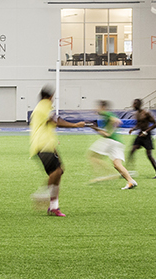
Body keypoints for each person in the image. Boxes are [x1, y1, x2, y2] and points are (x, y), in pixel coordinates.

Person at [29, 85, 89, 217]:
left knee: (59, 171)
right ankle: (43, 194)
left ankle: (53, 207)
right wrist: (75, 125)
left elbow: (46, 126)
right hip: (44, 146)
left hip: (46, 146)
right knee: (56, 172)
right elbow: (56, 121)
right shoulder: (44, 105)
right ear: (50, 96)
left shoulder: (39, 108)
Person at [87, 100, 136, 190]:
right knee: (117, 164)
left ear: (103, 107)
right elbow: (105, 132)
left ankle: (109, 173)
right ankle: (131, 181)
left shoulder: (107, 113)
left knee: (92, 156)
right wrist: (95, 128)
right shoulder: (108, 115)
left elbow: (117, 121)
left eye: (98, 107)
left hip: (110, 141)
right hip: (117, 142)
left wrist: (110, 131)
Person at [127, 98, 156, 180]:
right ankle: (128, 171)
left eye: (135, 104)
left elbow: (155, 124)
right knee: (132, 150)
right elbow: (139, 124)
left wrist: (146, 131)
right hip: (140, 134)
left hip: (147, 135)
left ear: (139, 104)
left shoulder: (146, 113)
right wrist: (133, 128)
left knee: (149, 155)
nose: (133, 105)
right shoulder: (137, 114)